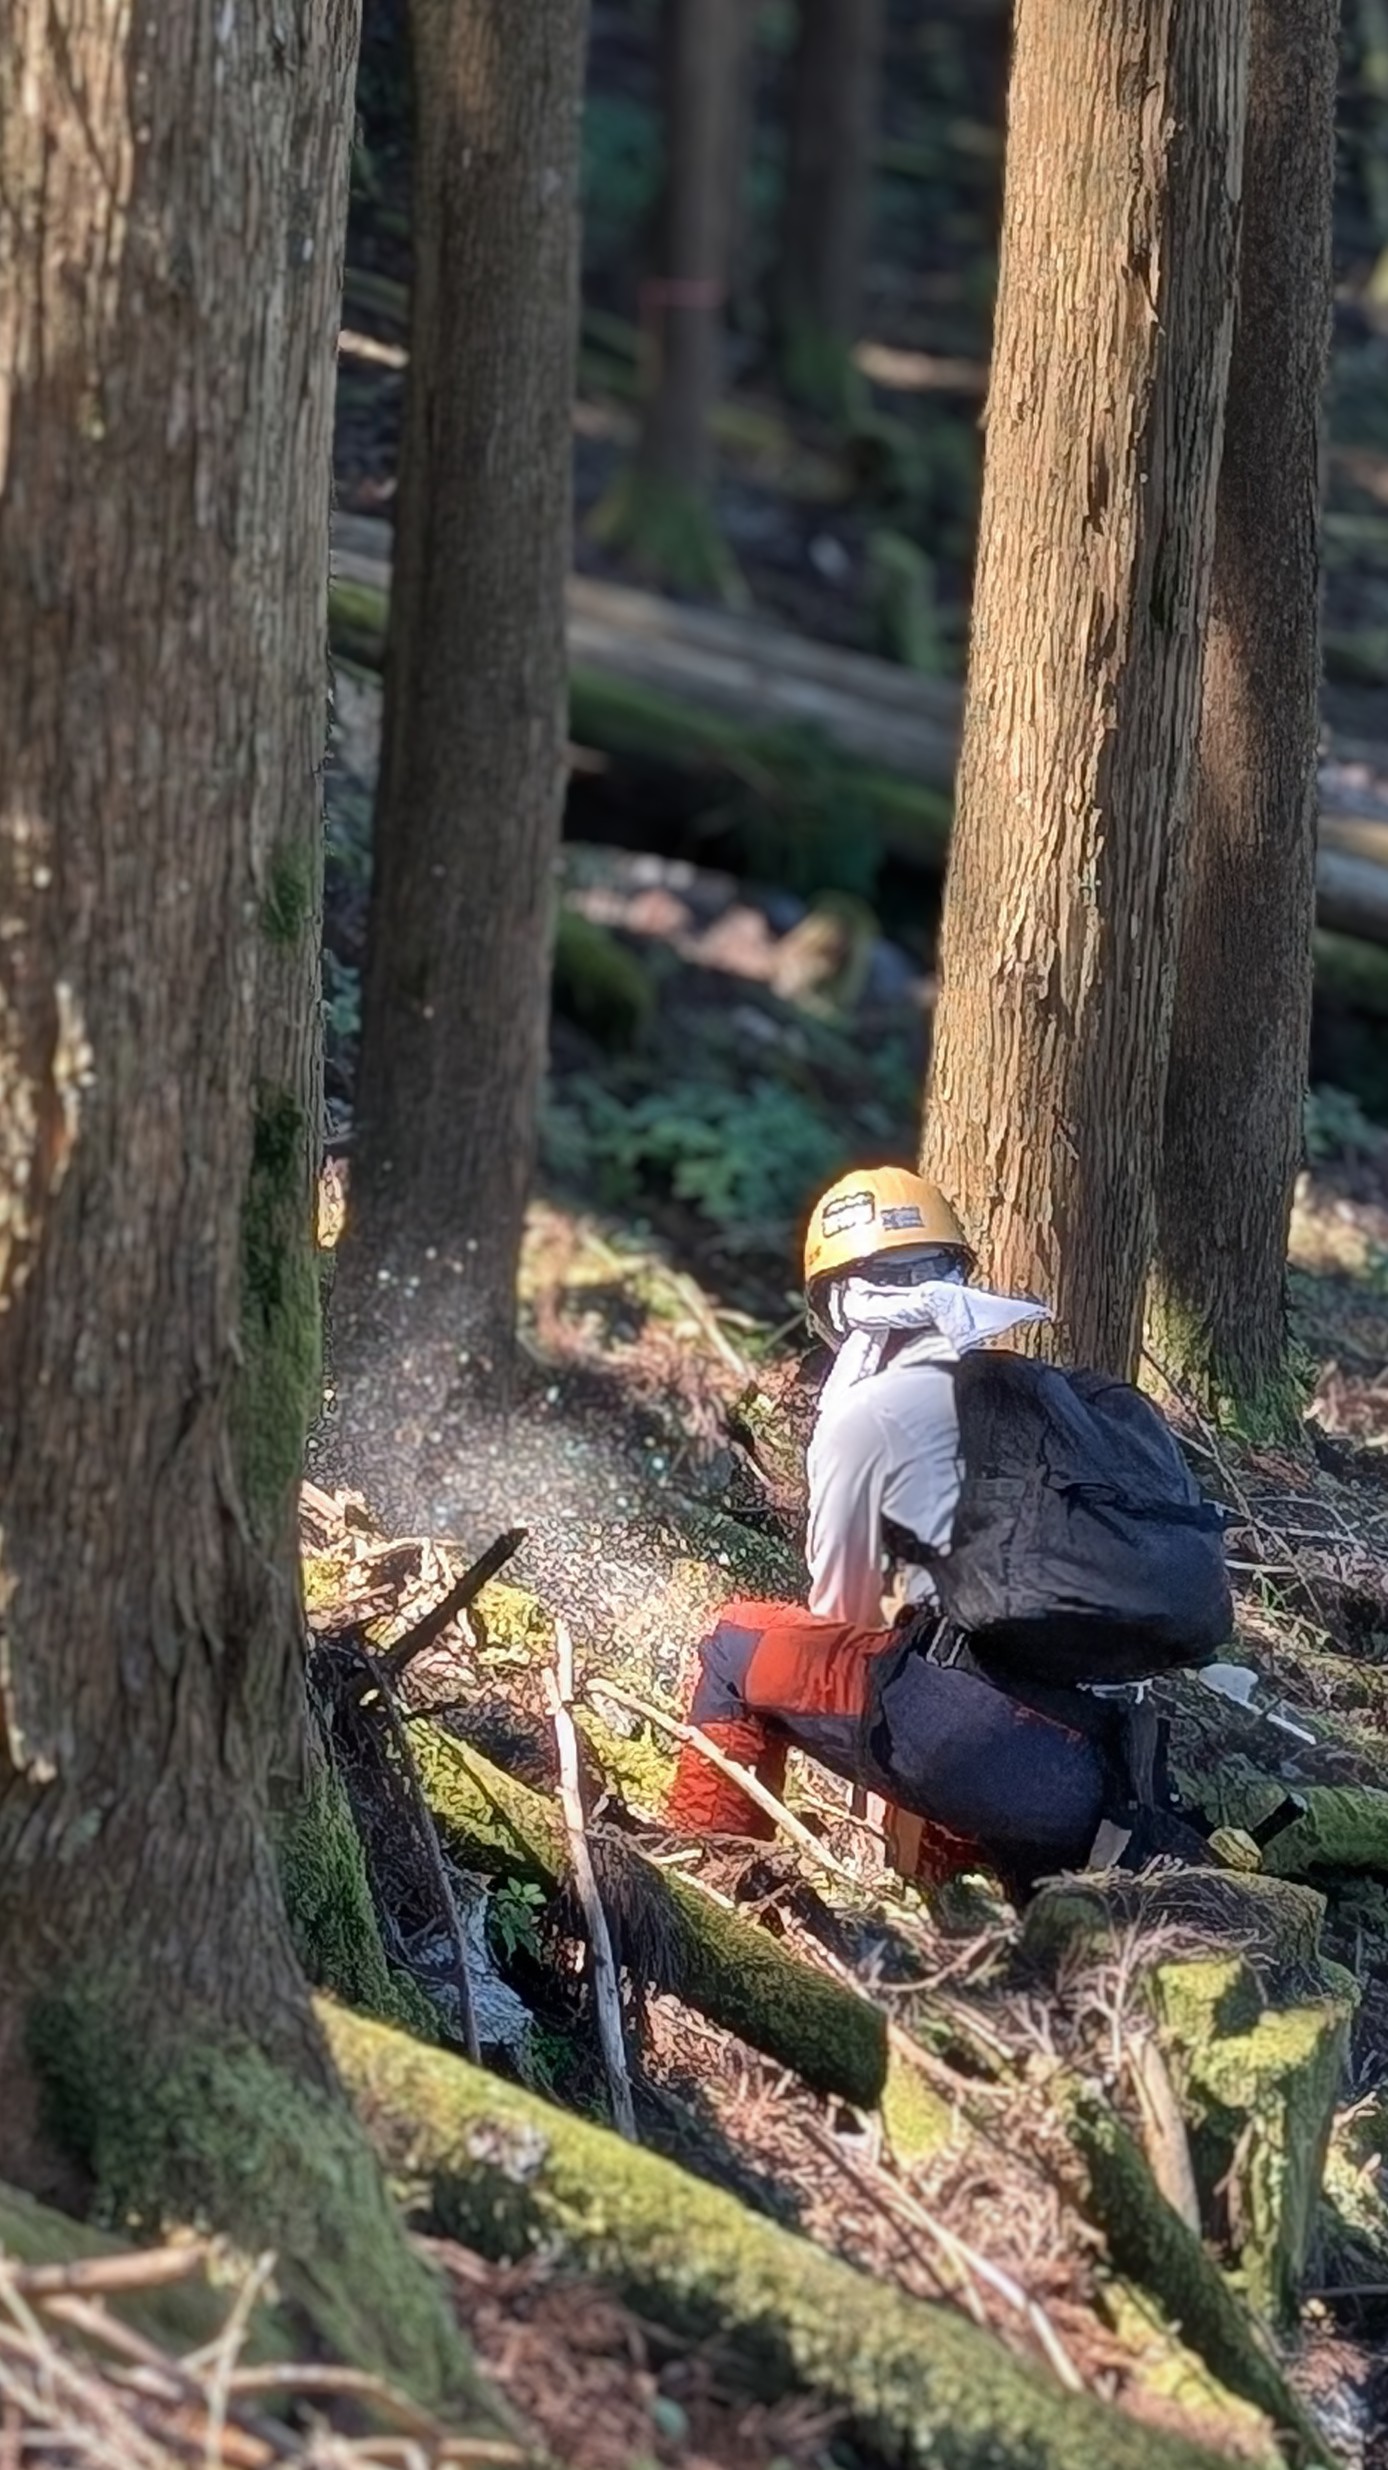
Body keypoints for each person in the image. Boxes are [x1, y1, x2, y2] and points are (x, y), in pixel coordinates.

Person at [664, 1166, 1215, 1897]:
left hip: (972, 1746)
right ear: (958, 1272)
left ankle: (698, 1887)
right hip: (1095, 1778)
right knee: (926, 1672)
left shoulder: (866, 1411)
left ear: (833, 1304)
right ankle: (946, 1900)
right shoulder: (1032, 1403)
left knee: (737, 1643)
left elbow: (842, 1609)